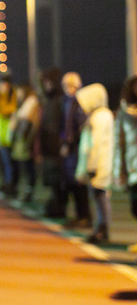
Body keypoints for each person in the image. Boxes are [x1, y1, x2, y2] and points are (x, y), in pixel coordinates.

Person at [75, 83, 114, 244]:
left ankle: (103, 229)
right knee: (98, 197)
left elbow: (96, 144)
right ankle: (100, 228)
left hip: (99, 165)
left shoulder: (100, 117)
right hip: (99, 164)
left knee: (101, 197)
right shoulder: (99, 115)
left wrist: (91, 166)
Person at [60, 72, 91, 228]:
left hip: (77, 147)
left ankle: (84, 216)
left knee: (79, 182)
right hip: (70, 147)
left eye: (71, 85)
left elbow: (79, 126)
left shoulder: (80, 102)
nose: (69, 89)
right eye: (66, 85)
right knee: (71, 181)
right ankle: (79, 215)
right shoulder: (67, 102)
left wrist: (70, 143)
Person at [37, 67, 65, 218]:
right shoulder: (48, 100)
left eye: (49, 83)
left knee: (59, 180)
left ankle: (60, 208)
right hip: (48, 146)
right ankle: (56, 206)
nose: (47, 86)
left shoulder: (59, 100)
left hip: (56, 147)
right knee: (52, 180)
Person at [10, 85, 41, 203]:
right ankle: (23, 190)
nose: (18, 95)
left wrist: (27, 141)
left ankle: (29, 191)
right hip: (22, 140)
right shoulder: (22, 105)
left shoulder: (31, 104)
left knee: (29, 166)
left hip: (27, 141)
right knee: (22, 166)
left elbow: (32, 125)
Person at [113, 75, 137, 221]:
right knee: (135, 209)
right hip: (132, 168)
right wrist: (118, 172)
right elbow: (119, 144)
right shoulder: (124, 112)